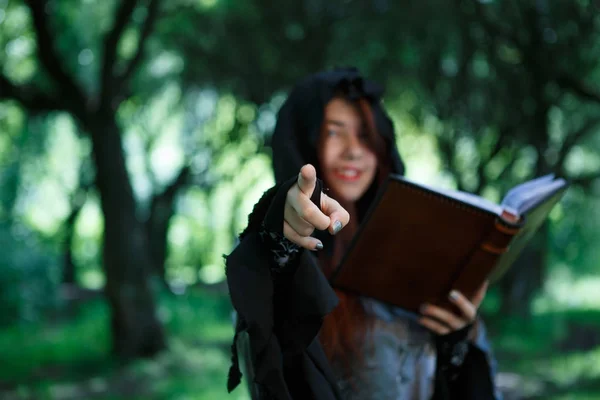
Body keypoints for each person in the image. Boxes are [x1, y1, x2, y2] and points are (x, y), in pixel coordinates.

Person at [225, 67, 501, 400]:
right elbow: (273, 363)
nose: (354, 150)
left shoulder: (413, 246)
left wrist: (457, 338)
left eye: (365, 135)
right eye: (333, 133)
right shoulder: (275, 252)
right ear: (302, 143)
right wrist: (279, 243)